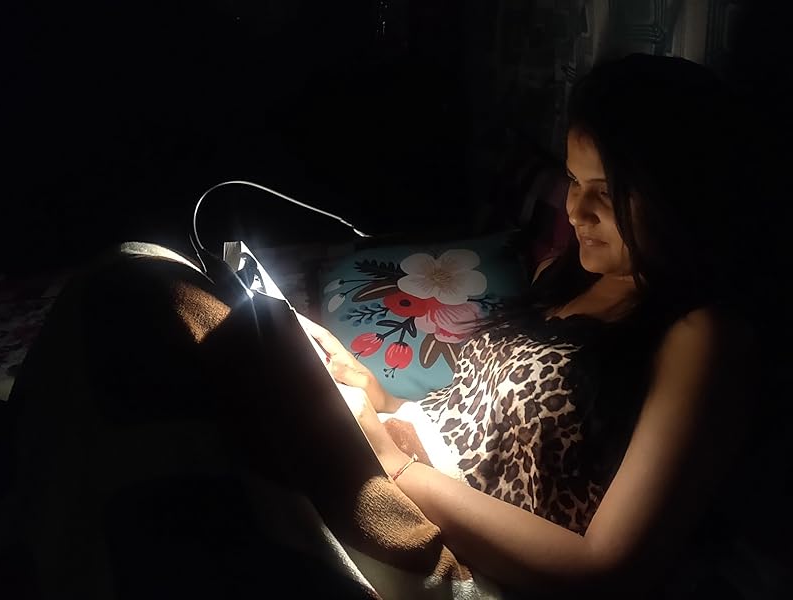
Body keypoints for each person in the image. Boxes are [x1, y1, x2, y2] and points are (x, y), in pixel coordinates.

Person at [301, 53, 761, 597]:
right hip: (414, 481)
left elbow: (607, 568)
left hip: (465, 560)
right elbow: (477, 433)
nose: (576, 211)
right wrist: (379, 398)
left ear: (679, 196)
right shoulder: (561, 278)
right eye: (574, 180)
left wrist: (391, 464)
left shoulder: (700, 336)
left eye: (606, 192)